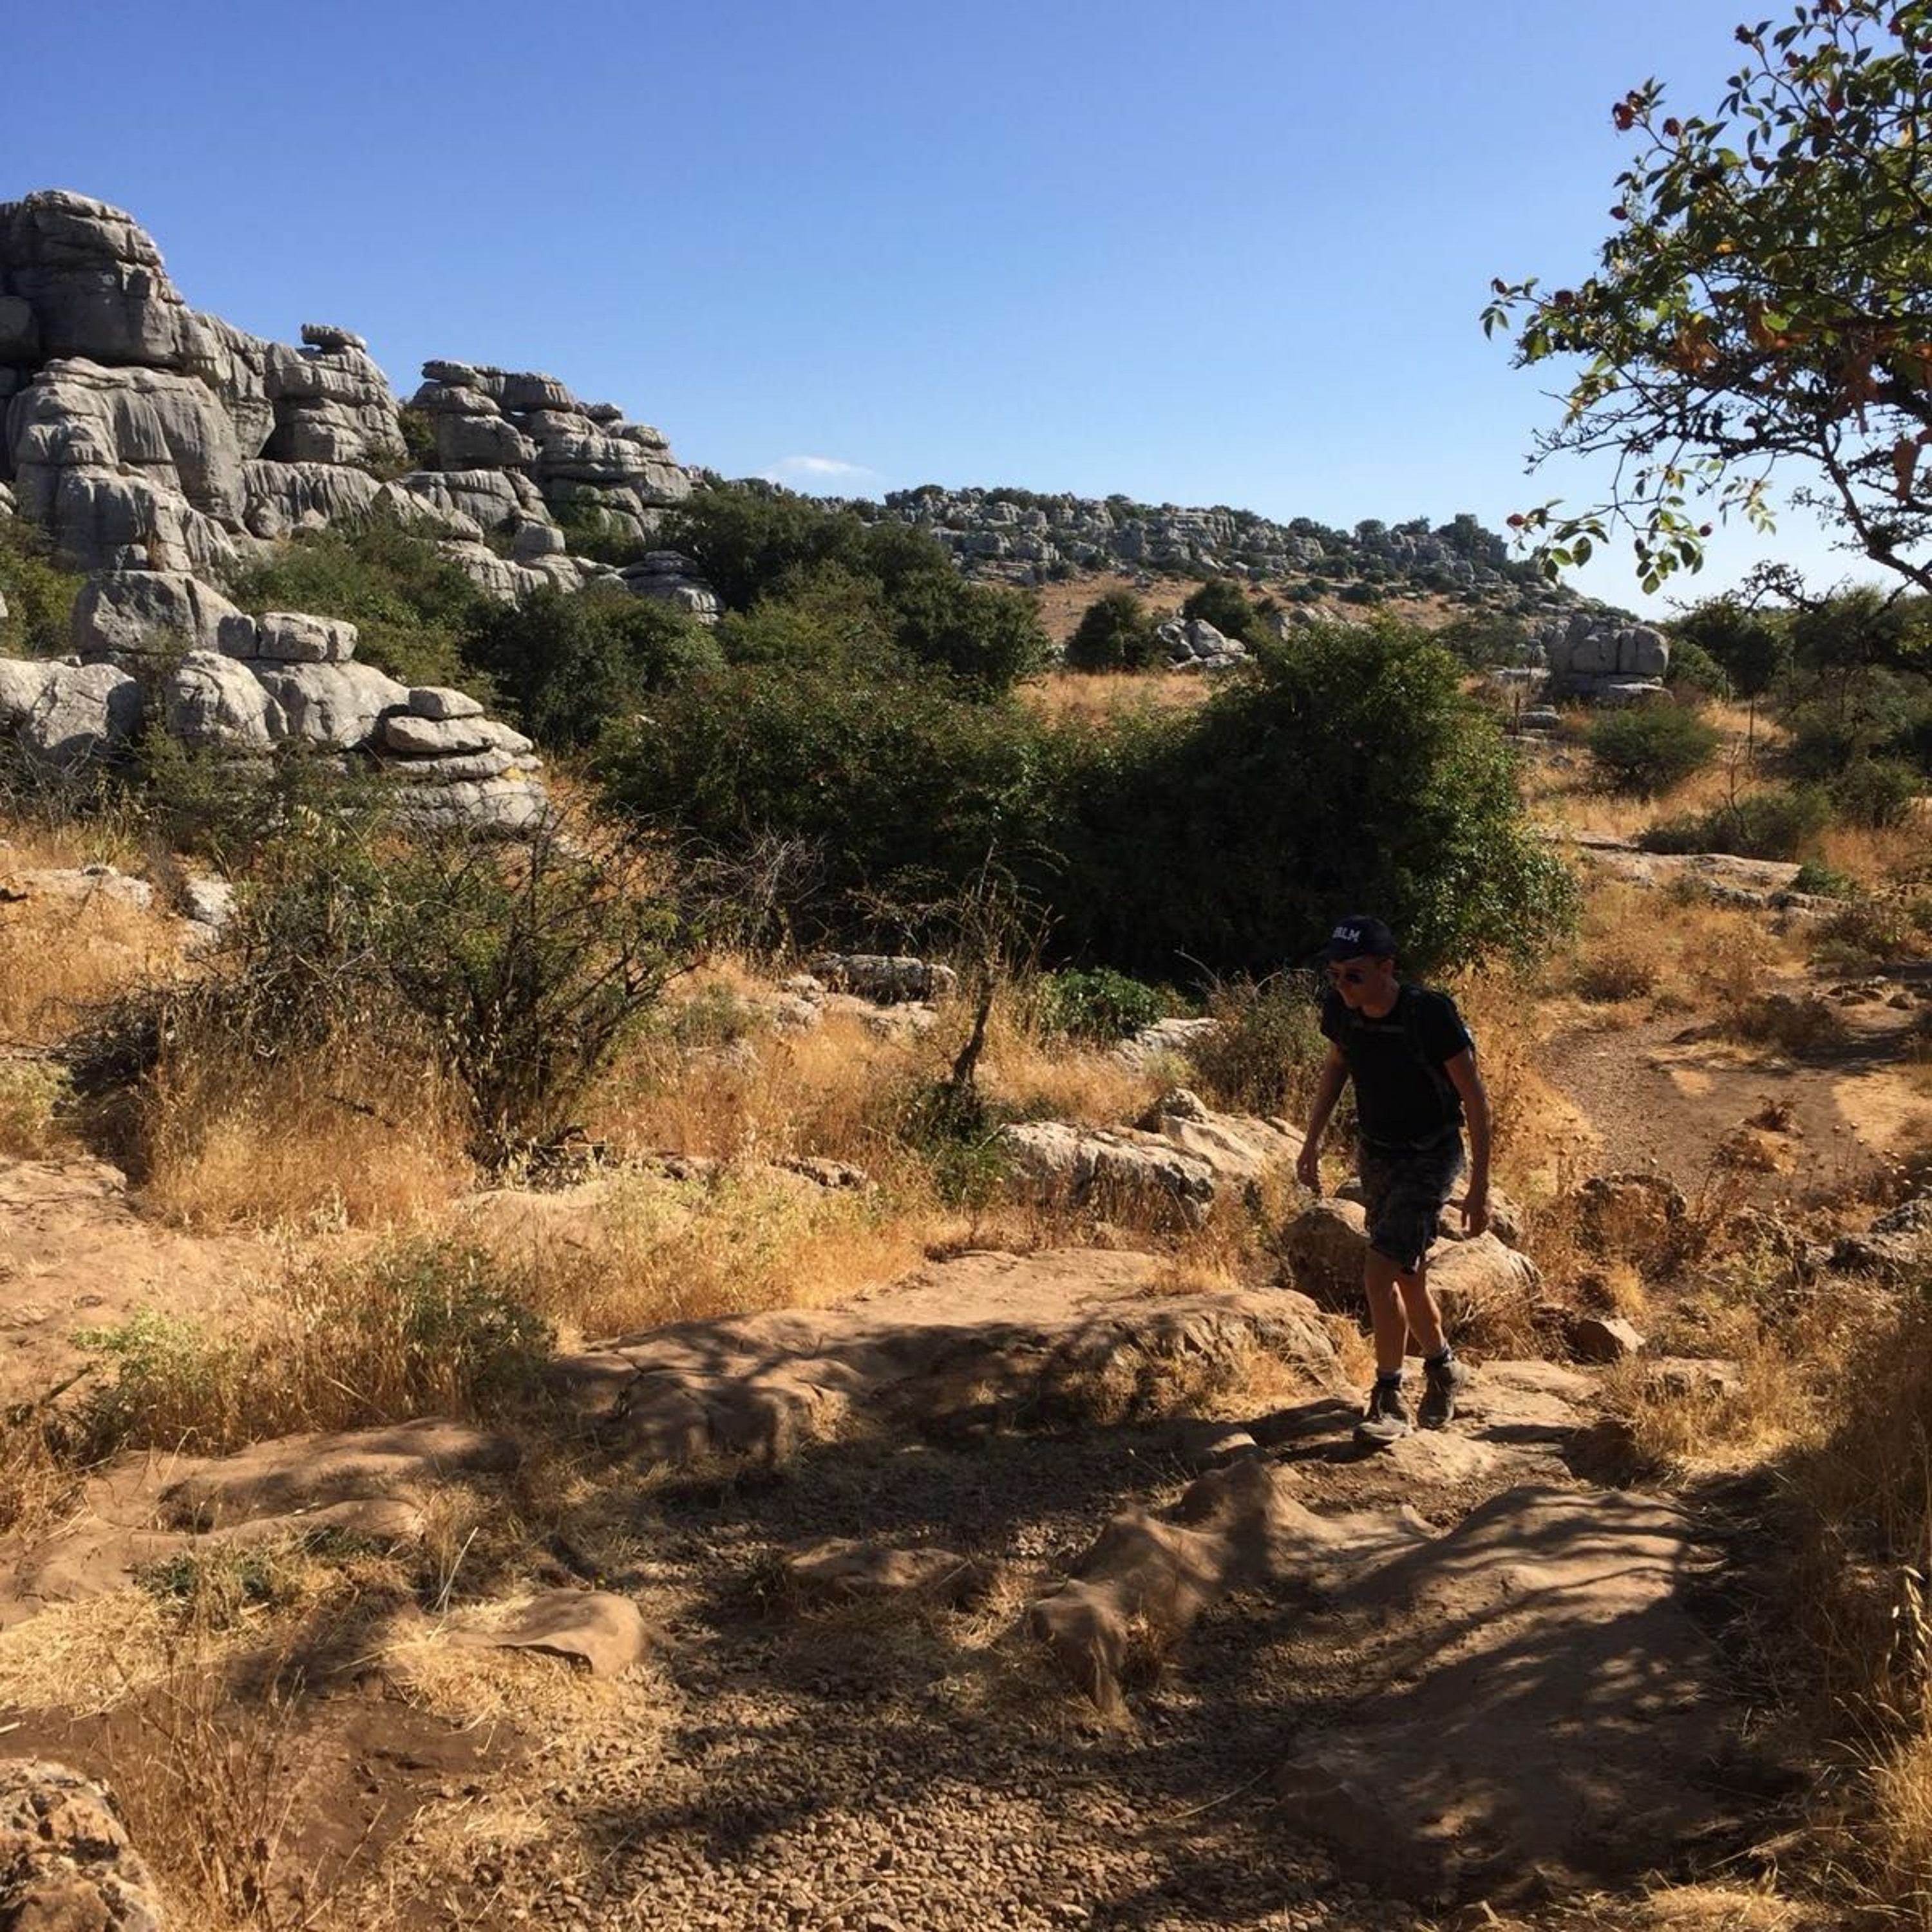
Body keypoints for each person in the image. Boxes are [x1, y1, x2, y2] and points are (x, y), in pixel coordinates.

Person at [1293, 914, 1491, 1444]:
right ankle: (1444, 1368)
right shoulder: (1342, 1011)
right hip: (1376, 1151)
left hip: (1430, 1156)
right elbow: (1336, 1068)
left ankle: (1388, 1397)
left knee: (1379, 1271)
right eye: (1334, 975)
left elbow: (1474, 1100)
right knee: (1407, 1276)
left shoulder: (1431, 1016)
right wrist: (1311, 1141)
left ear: (1387, 967)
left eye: (1354, 975)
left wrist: (1479, 1188)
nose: (1341, 986)